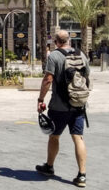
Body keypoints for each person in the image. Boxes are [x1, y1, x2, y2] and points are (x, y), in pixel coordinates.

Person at [35, 30, 88, 187]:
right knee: (78, 137)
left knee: (54, 136)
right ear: (69, 41)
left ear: (56, 42)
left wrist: (40, 99)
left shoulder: (55, 56)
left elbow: (48, 80)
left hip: (59, 106)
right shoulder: (82, 55)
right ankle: (82, 175)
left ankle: (49, 167)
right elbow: (87, 77)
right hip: (79, 104)